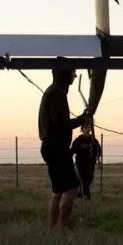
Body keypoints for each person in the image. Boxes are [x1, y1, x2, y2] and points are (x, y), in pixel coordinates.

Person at [38, 67, 91, 231]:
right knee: (72, 187)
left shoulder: (53, 92)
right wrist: (82, 119)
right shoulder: (57, 94)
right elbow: (61, 124)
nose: (74, 75)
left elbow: (60, 123)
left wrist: (80, 119)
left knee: (59, 189)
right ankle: (62, 227)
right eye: (72, 72)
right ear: (65, 74)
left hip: (51, 147)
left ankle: (52, 227)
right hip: (57, 148)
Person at [71, 126, 102, 200]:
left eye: (88, 127)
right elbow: (72, 151)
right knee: (83, 180)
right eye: (85, 127)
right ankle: (87, 198)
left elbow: (98, 151)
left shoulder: (93, 140)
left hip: (91, 164)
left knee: (89, 179)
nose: (87, 129)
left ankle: (79, 195)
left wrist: (98, 159)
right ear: (81, 129)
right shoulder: (78, 140)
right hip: (80, 164)